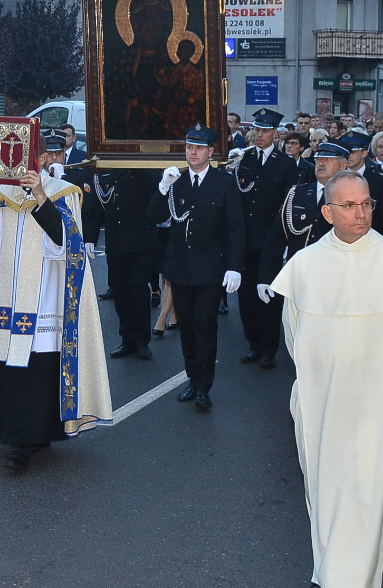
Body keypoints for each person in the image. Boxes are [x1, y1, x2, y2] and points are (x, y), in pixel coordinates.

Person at [268, 170, 383, 588]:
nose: (361, 213)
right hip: (319, 404)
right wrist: (320, 386)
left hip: (376, 405)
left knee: (366, 497)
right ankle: (330, 574)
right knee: (323, 493)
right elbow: (294, 339)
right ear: (327, 212)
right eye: (349, 205)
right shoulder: (304, 266)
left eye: (367, 204)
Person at [0, 132, 112, 471]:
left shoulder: (63, 192)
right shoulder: (2, 195)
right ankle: (12, 433)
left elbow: (67, 247)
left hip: (45, 301)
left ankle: (27, 441)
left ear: (43, 159)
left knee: (37, 372)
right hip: (4, 301)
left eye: (27, 155)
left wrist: (40, 197)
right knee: (7, 370)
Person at [147, 124, 245, 409]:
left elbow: (235, 227)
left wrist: (235, 266)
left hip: (211, 267)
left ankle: (204, 386)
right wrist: (163, 187)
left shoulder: (223, 182)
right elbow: (153, 216)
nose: (192, 153)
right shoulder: (176, 181)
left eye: (199, 148)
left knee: (205, 325)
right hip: (180, 267)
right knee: (187, 327)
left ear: (210, 152)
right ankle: (192, 378)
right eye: (189, 147)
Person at [233, 108, 295, 368]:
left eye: (265, 130)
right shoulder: (244, 159)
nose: (259, 135)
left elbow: (288, 203)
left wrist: (283, 240)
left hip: (271, 239)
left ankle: (269, 348)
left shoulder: (286, 163)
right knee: (246, 294)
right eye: (257, 130)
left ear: (275, 134)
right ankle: (253, 344)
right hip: (245, 238)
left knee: (269, 293)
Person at [256, 141, 351, 296]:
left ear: (343, 165)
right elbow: (276, 239)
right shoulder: (297, 193)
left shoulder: (353, 198)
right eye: (318, 159)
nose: (321, 163)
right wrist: (266, 278)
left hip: (336, 280)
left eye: (328, 160)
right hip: (298, 277)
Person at [89, 166, 161, 360]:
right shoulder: (108, 169)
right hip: (116, 239)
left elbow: (155, 184)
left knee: (138, 288)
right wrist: (90, 238)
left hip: (140, 239)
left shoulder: (141, 166)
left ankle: (142, 341)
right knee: (120, 291)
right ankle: (127, 338)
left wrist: (133, 164)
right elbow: (97, 204)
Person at [337, 130, 383, 241]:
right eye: (345, 152)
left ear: (364, 153)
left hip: (371, 239)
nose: (348, 156)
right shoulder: (336, 179)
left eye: (352, 152)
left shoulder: (379, 181)